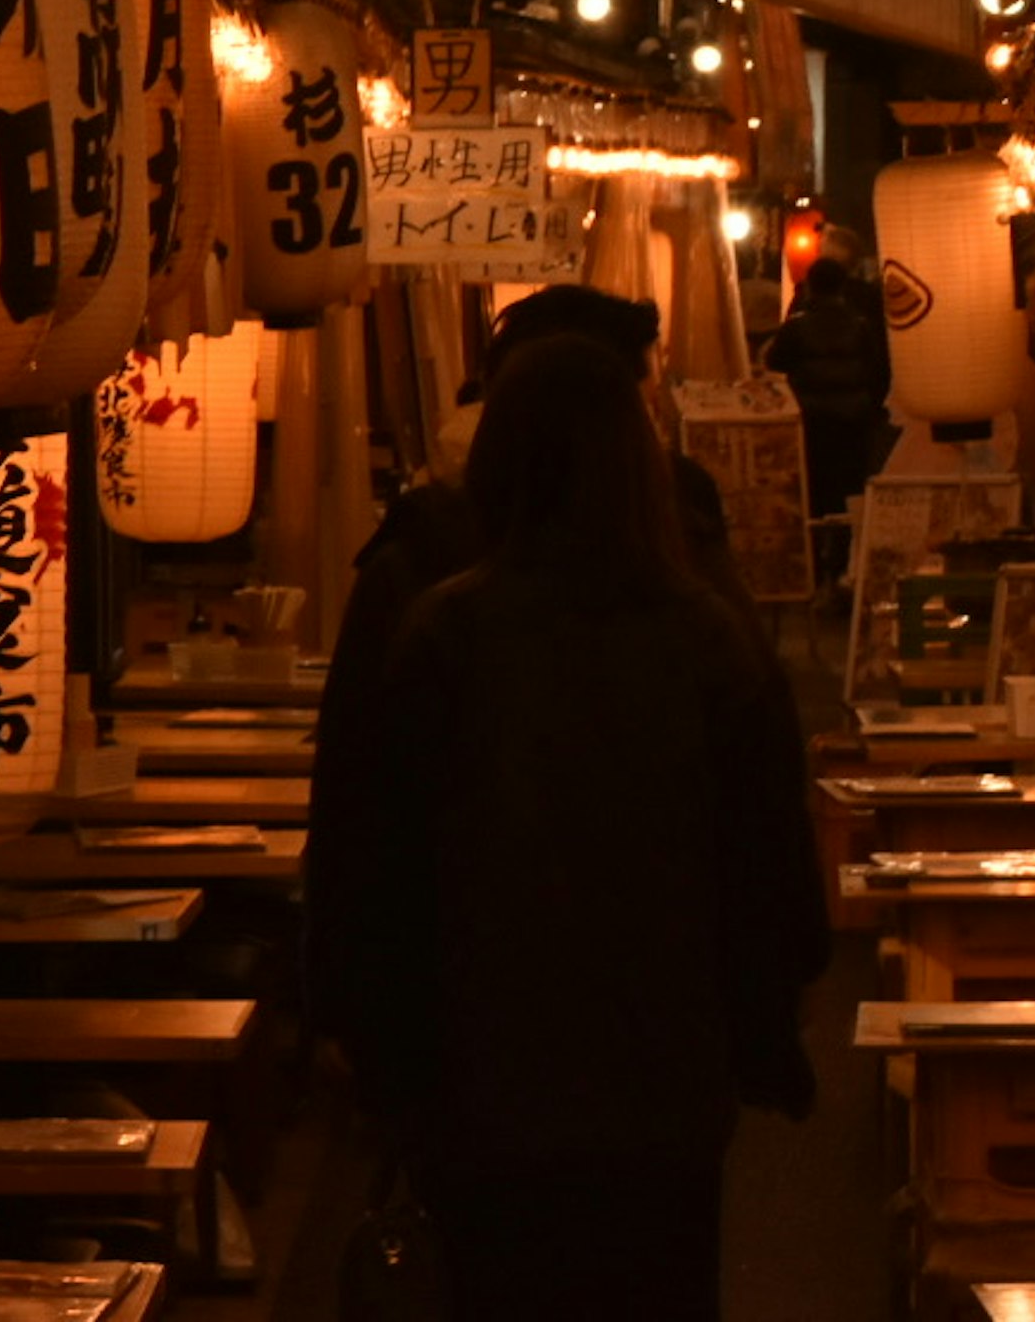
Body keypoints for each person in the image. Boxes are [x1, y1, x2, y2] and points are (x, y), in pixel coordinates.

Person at [337, 334, 831, 1322]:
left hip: (483, 1090)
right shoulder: (711, 643)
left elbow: (375, 874)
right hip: (665, 1089)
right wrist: (759, 1034)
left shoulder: (445, 636)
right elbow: (776, 877)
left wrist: (390, 1064)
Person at [308, 283, 756, 1060]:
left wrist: (359, 1014)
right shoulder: (690, 592)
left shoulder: (425, 587)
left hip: (470, 1027)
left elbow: (359, 807)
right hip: (662, 1026)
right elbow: (758, 806)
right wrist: (766, 1012)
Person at [763, 252, 893, 527]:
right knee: (851, 486)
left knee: (816, 487)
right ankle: (848, 544)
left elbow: (774, 360)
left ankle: (819, 544)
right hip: (854, 419)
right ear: (842, 285)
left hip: (812, 419)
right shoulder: (860, 326)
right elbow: (878, 370)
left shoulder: (797, 327)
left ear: (811, 285)